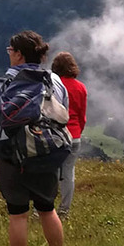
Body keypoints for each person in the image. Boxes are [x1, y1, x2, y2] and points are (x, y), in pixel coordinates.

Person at [0, 30, 67, 246]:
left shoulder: (5, 82)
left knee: (18, 214)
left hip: (13, 156)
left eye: (10, 50)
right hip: (46, 154)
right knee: (47, 209)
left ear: (19, 54)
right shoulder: (54, 81)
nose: (9, 54)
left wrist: (0, 144)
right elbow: (63, 114)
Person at [50, 52, 87, 220]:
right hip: (74, 135)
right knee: (68, 172)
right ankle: (64, 211)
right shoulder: (80, 87)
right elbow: (82, 116)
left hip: (56, 134)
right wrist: (78, 131)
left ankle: (43, 208)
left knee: (49, 171)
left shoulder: (53, 85)